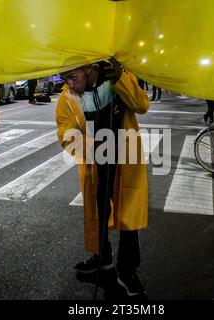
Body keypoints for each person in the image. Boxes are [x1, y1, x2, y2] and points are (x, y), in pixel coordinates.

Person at [56, 57, 149, 296]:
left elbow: (142, 105)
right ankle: (102, 259)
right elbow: (65, 131)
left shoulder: (118, 81)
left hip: (124, 160)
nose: (70, 84)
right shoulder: (68, 97)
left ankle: (128, 271)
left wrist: (121, 79)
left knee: (128, 219)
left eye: (73, 77)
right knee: (97, 214)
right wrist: (90, 146)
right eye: (65, 79)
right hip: (95, 163)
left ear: (90, 69)